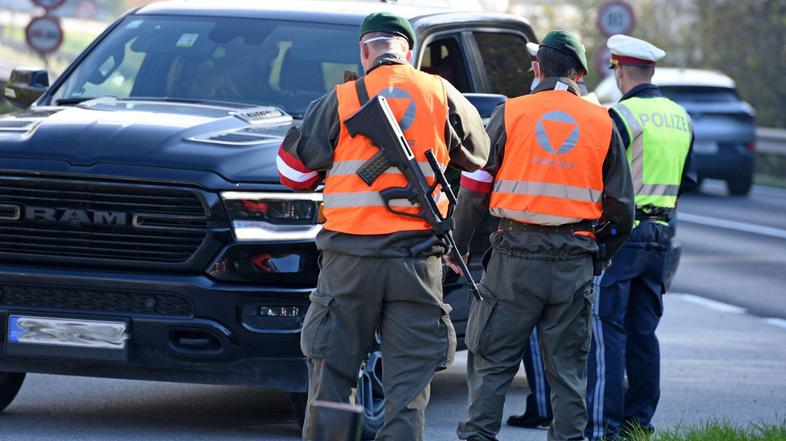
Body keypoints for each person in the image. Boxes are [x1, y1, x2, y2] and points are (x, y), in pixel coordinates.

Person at [277, 12, 489, 441]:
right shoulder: (440, 93)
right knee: (407, 391)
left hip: (349, 263)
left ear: (364, 50)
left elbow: (293, 175)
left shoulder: (343, 97)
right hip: (417, 263)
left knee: (335, 380)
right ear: (408, 52)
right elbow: (480, 159)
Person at [451, 30, 635, 441]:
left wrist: (457, 246)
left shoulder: (510, 112)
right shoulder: (604, 122)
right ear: (580, 74)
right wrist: (599, 252)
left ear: (537, 68)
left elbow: (475, 190)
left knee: (492, 363)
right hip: (573, 262)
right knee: (568, 373)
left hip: (513, 260)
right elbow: (623, 207)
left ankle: (479, 435)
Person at [585, 34, 697, 441]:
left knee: (608, 331)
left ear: (619, 70)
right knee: (644, 334)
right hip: (661, 237)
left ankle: (605, 428)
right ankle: (639, 425)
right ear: (651, 70)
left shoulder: (620, 116)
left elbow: (600, 180)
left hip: (623, 238)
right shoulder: (681, 117)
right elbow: (688, 180)